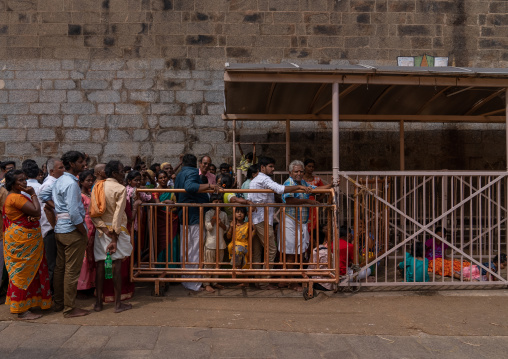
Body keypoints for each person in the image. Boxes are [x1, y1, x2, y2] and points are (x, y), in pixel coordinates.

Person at [249, 156, 311, 289]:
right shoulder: (264, 178)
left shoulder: (255, 180)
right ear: (262, 168)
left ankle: (257, 280)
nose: (273, 169)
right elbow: (280, 189)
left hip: (257, 218)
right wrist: (298, 187)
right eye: (270, 166)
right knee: (271, 250)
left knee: (257, 251)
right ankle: (265, 281)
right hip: (262, 219)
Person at [40, 151, 89, 318]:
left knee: (61, 269)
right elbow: (75, 213)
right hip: (71, 230)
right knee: (71, 271)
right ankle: (69, 308)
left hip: (61, 229)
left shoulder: (60, 180)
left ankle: (59, 303)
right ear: (72, 163)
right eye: (81, 162)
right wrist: (84, 232)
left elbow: (44, 195)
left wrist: (58, 210)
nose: (84, 165)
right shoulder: (70, 183)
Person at [3, 170, 52, 319]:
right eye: (20, 180)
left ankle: (28, 303)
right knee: (22, 273)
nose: (25, 183)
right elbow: (37, 212)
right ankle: (21, 310)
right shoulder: (15, 198)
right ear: (13, 184)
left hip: (24, 238)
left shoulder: (16, 197)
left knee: (28, 272)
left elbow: (29, 214)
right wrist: (33, 194)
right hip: (22, 240)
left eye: (25, 179)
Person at [279, 160, 331, 290]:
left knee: (300, 252)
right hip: (290, 220)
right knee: (290, 253)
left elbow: (315, 188)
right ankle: (291, 282)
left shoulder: (302, 183)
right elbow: (290, 200)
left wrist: (331, 185)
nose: (299, 173)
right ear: (290, 172)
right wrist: (307, 201)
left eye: (301, 171)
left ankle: (291, 279)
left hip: (301, 221)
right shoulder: (289, 183)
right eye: (296, 171)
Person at [91, 160, 133, 313]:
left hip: (101, 231)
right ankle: (117, 304)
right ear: (115, 173)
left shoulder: (97, 186)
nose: (124, 173)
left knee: (101, 265)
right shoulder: (120, 188)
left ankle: (98, 303)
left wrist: (104, 229)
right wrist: (114, 237)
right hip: (116, 231)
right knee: (116, 266)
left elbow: (93, 213)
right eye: (122, 170)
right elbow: (118, 214)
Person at [174, 154, 219, 291]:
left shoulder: (180, 174)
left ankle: (187, 279)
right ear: (196, 164)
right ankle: (193, 283)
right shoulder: (192, 172)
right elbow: (190, 187)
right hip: (193, 216)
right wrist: (210, 186)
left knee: (187, 249)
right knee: (194, 250)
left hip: (185, 215)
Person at [38, 158, 65, 293]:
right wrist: (55, 228)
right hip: (51, 229)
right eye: (60, 168)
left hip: (55, 228)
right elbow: (46, 209)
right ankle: (51, 293)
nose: (63, 170)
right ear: (52, 171)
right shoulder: (49, 184)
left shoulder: (57, 182)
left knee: (57, 263)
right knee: (53, 264)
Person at [152, 170, 179, 267]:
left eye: (164, 177)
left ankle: (173, 272)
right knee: (162, 244)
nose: (163, 179)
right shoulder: (155, 191)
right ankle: (161, 270)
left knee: (173, 243)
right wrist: (166, 202)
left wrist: (173, 205)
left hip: (173, 220)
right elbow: (157, 204)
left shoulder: (172, 189)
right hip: (161, 220)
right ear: (157, 180)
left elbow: (177, 203)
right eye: (161, 178)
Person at [203, 193, 229, 293]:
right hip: (210, 244)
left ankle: (214, 282)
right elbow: (208, 227)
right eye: (215, 202)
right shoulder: (208, 213)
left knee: (218, 264)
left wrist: (220, 223)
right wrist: (214, 218)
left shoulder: (224, 214)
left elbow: (226, 228)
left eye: (219, 202)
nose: (218, 204)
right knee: (209, 264)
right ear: (211, 203)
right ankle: (207, 283)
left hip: (221, 243)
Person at [77, 170, 96, 293]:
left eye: (91, 180)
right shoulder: (80, 196)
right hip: (86, 225)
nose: (90, 183)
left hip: (93, 225)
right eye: (87, 180)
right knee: (84, 256)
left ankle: (91, 283)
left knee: (92, 254)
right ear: (81, 182)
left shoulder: (90, 194)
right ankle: (82, 286)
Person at [227, 207, 254, 279]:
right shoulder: (233, 224)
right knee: (235, 249)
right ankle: (240, 277)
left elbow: (251, 238)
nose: (239, 214)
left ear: (245, 215)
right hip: (233, 245)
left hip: (244, 245)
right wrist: (231, 227)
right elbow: (228, 237)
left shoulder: (248, 225)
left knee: (238, 250)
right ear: (234, 214)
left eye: (242, 212)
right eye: (237, 212)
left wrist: (254, 229)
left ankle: (237, 274)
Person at [302, 159, 326, 233]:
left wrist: (317, 201)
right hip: (302, 201)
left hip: (312, 203)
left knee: (313, 221)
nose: (311, 168)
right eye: (309, 166)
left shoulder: (317, 179)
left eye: (312, 167)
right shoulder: (300, 179)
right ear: (304, 167)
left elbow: (323, 192)